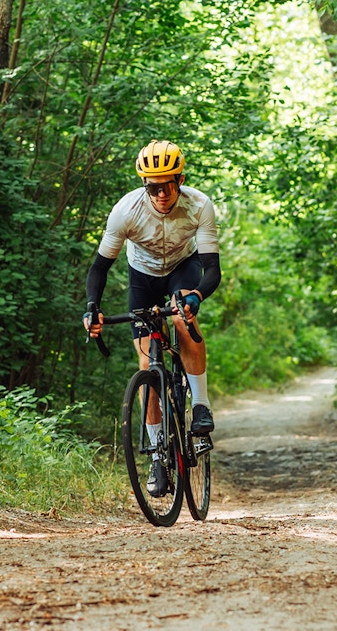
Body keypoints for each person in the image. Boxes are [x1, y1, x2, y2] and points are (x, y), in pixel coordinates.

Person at [83, 140, 222, 497]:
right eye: (153, 187)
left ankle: (201, 406)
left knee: (179, 317)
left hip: (182, 269)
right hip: (141, 277)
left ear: (180, 179)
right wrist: (92, 308)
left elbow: (212, 270)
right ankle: (158, 459)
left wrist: (196, 296)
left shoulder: (200, 205)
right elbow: (100, 267)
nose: (161, 194)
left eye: (169, 185)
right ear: (145, 185)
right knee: (147, 363)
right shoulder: (125, 211)